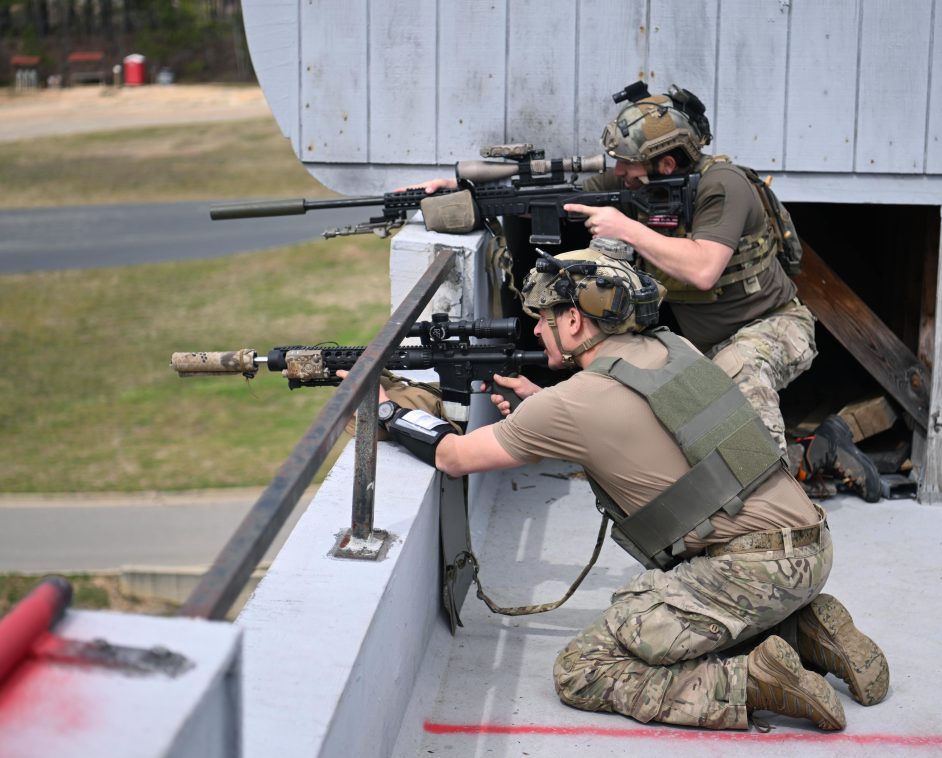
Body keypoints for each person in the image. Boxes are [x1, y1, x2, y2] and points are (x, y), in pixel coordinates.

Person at [351, 239, 889, 732]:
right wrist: (541, 407)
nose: (536, 331)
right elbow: (651, 429)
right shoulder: (672, 348)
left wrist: (386, 411)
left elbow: (452, 456)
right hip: (811, 544)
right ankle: (805, 630)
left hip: (751, 568)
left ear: (574, 320)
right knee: (697, 606)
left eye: (543, 319)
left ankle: (752, 682)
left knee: (583, 669)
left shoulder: (571, 403)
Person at [403, 81, 881, 501]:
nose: (619, 172)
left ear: (665, 163)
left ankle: (771, 511)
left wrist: (626, 229)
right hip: (702, 345)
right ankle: (813, 452)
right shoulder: (637, 186)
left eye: (627, 164)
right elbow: (551, 202)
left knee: (738, 373)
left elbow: (704, 269)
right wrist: (462, 191)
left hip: (775, 325)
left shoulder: (724, 186)